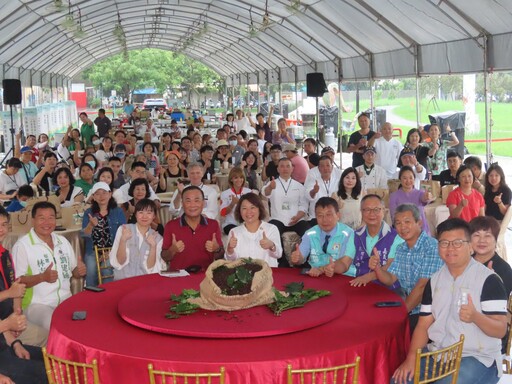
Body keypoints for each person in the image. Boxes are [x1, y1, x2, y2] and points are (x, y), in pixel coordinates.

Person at [391, 218, 507, 384]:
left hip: (478, 358)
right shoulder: (434, 281)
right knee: (398, 380)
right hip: (440, 354)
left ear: (470, 246)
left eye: (457, 242)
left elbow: (500, 330)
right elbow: (423, 325)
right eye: (444, 243)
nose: (450, 248)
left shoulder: (488, 280)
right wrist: (410, 359)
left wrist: (475, 317)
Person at [370, 203, 444, 333]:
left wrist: (399, 315)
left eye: (407, 222)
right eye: (398, 223)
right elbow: (390, 279)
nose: (402, 227)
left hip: (432, 312)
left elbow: (422, 288)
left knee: (387, 331)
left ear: (419, 223)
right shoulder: (401, 248)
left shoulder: (432, 247)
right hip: (411, 308)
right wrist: (377, 268)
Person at [12, 202, 87, 331]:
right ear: (33, 220)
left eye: (51, 217)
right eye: (42, 218)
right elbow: (17, 281)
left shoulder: (62, 241)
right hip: (37, 305)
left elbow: (73, 272)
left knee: (86, 318)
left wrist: (79, 271)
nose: (47, 222)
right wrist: (42, 277)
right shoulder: (23, 246)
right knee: (53, 323)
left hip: (65, 299)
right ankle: (55, 351)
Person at [0, 206, 48, 384]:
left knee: (51, 359)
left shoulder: (4, 255)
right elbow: (13, 290)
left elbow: (16, 287)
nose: (1, 229)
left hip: (6, 337)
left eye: (4, 224)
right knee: (47, 373)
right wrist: (7, 323)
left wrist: (14, 342)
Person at [162, 186, 224, 271]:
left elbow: (221, 256)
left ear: (203, 203)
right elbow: (165, 257)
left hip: (205, 277)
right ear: (182, 204)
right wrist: (172, 250)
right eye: (188, 201)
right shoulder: (171, 226)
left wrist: (216, 249)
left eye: (196, 200)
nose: (192, 205)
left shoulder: (213, 225)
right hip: (178, 277)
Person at [290, 197, 355, 277]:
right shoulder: (310, 233)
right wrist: (297, 258)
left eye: (329, 215)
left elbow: (344, 263)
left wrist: (322, 269)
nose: (324, 220)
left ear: (338, 215)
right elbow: (301, 257)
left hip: (342, 276)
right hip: (317, 276)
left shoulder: (349, 234)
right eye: (320, 216)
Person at [349, 194, 404, 287]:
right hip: (361, 284)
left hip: (388, 289)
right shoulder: (355, 235)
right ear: (361, 212)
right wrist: (331, 267)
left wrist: (368, 277)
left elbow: (390, 266)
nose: (371, 214)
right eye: (367, 210)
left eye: (376, 209)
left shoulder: (396, 237)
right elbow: (345, 261)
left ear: (384, 211)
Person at [109, 199, 164, 280]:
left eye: (149, 213)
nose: (144, 216)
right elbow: (119, 262)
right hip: (123, 280)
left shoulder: (158, 238)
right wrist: (123, 240)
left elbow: (150, 268)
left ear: (154, 216)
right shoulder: (124, 229)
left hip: (144, 282)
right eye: (141, 212)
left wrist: (153, 246)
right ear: (135, 214)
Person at [225, 193, 282, 267]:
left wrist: (271, 245)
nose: (249, 212)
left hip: (266, 275)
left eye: (252, 207)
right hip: (243, 276)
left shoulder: (271, 229)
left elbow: (279, 254)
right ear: (239, 211)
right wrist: (230, 249)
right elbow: (230, 260)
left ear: (260, 209)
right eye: (244, 208)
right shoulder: (234, 232)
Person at [264, 158, 309, 244]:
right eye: (282, 166)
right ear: (278, 169)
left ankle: (303, 255)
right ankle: (280, 257)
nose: (285, 169)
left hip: (297, 220)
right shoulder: (272, 183)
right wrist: (270, 188)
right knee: (272, 233)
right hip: (278, 219)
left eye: (288, 166)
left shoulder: (299, 186)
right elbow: (265, 193)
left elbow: (304, 204)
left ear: (292, 169)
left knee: (308, 232)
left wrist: (298, 217)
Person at [389, 166, 433, 235]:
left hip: (421, 231)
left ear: (414, 179)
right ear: (400, 179)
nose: (408, 181)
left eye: (410, 178)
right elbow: (394, 217)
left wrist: (427, 197)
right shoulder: (394, 196)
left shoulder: (420, 193)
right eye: (404, 178)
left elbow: (424, 199)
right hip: (403, 231)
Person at [304, 155, 340, 226]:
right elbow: (308, 195)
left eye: (328, 165)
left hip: (333, 216)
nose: (325, 168)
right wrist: (314, 191)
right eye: (322, 166)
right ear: (319, 168)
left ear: (332, 167)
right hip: (316, 217)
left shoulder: (338, 181)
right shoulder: (313, 181)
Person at [220, 167, 252, 235]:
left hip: (246, 223)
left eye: (241, 177)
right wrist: (232, 204)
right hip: (230, 224)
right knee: (237, 233)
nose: (239, 180)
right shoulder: (225, 194)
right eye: (236, 178)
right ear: (231, 179)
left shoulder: (249, 192)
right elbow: (222, 213)